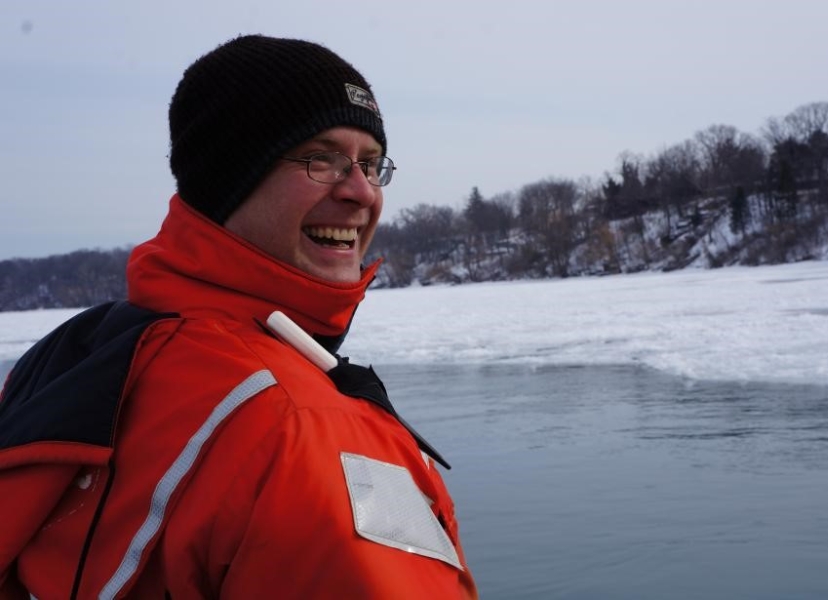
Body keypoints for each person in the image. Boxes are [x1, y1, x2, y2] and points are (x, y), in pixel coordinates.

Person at [0, 35, 478, 598]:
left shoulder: (72, 359)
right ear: (229, 178)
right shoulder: (299, 425)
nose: (360, 193)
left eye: (371, 165)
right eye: (320, 159)